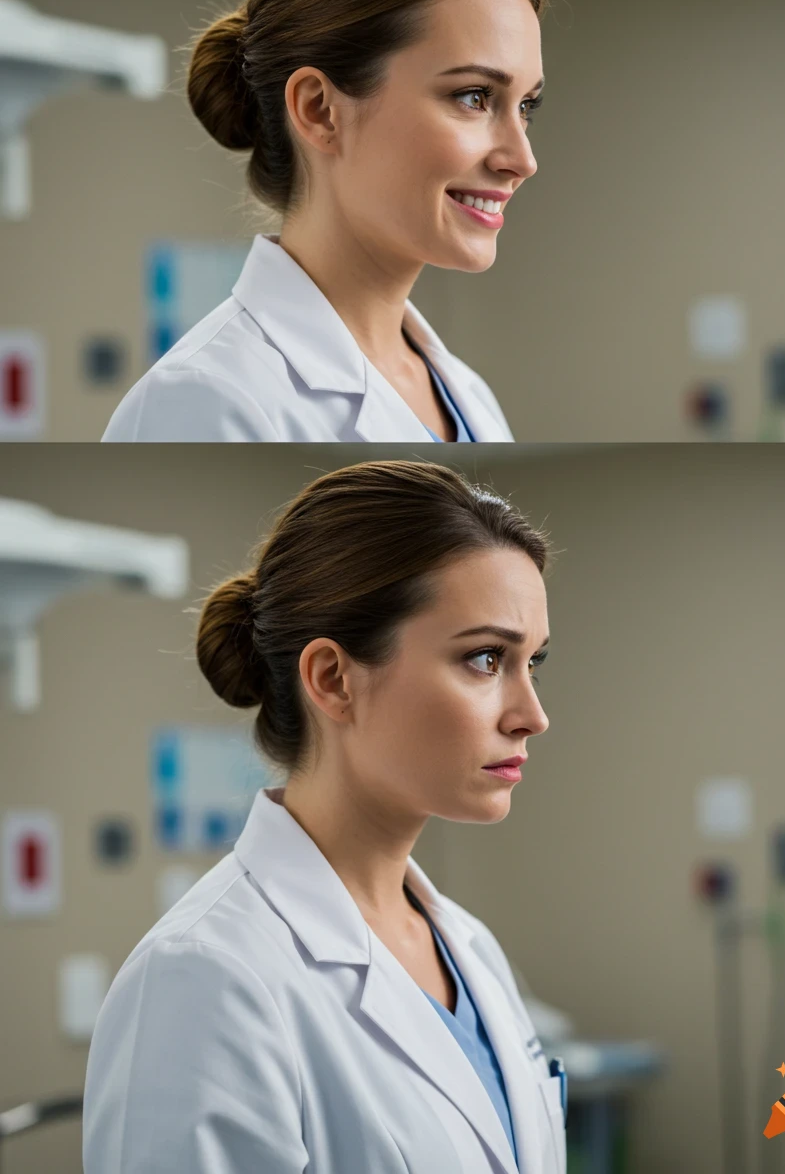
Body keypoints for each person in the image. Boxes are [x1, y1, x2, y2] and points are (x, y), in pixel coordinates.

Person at [81, 459, 566, 1173]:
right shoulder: (204, 978)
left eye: (533, 663)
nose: (532, 715)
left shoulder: (470, 950)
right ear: (333, 680)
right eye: (487, 658)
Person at [102, 0, 555, 443]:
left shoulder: (469, 395)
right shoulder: (202, 400)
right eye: (474, 96)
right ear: (319, 110)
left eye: (526, 106)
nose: (522, 160)